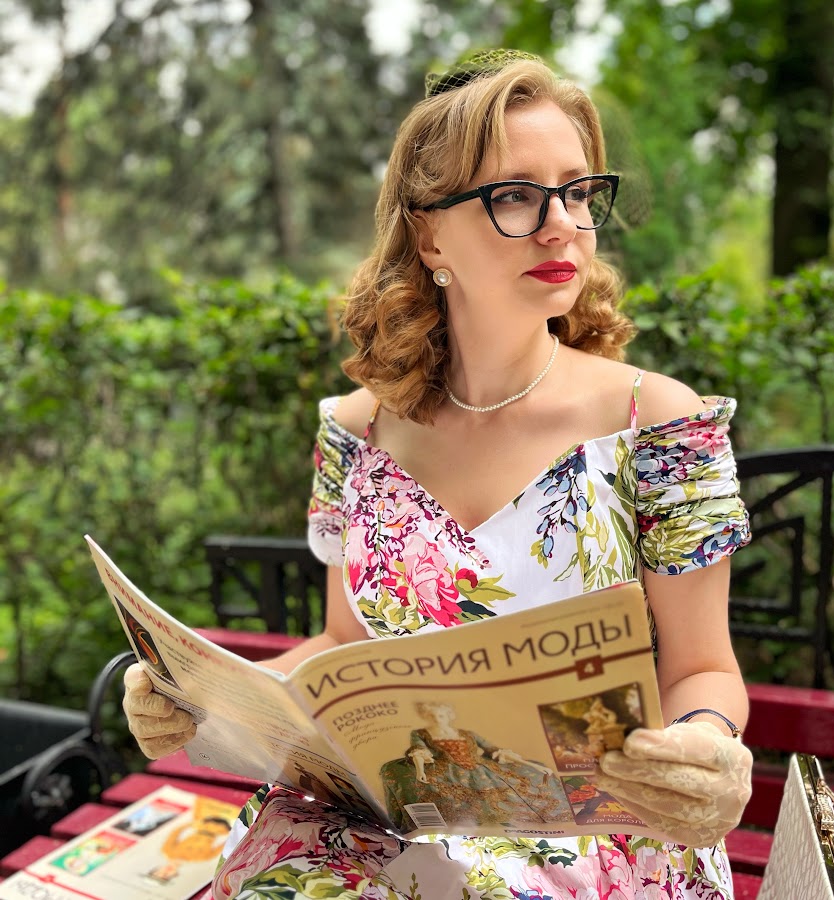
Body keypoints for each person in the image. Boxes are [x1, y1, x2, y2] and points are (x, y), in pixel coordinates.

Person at [123, 49, 754, 900]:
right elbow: (343, 647)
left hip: (597, 833)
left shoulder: (658, 422)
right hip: (393, 816)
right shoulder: (356, 431)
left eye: (576, 192)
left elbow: (703, 668)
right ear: (428, 234)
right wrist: (203, 702)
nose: (561, 225)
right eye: (515, 196)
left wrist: (707, 742)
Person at [380, 700, 569, 832]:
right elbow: (419, 751)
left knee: (529, 776)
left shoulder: (467, 733)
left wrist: (530, 765)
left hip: (481, 767)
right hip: (446, 769)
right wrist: (421, 771)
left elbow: (494, 749)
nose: (438, 719)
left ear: (449, 715)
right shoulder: (420, 733)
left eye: (442, 715)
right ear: (427, 715)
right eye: (433, 715)